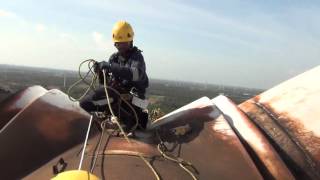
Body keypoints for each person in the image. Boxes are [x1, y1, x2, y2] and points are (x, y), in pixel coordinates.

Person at [80, 21, 149, 130]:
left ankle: (130, 122)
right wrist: (101, 73)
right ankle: (106, 120)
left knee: (112, 95)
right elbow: (107, 84)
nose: (121, 46)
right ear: (114, 43)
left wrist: (110, 67)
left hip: (137, 102)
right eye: (118, 43)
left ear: (130, 41)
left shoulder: (136, 57)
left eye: (124, 43)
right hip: (118, 99)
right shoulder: (114, 58)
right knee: (85, 103)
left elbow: (135, 74)